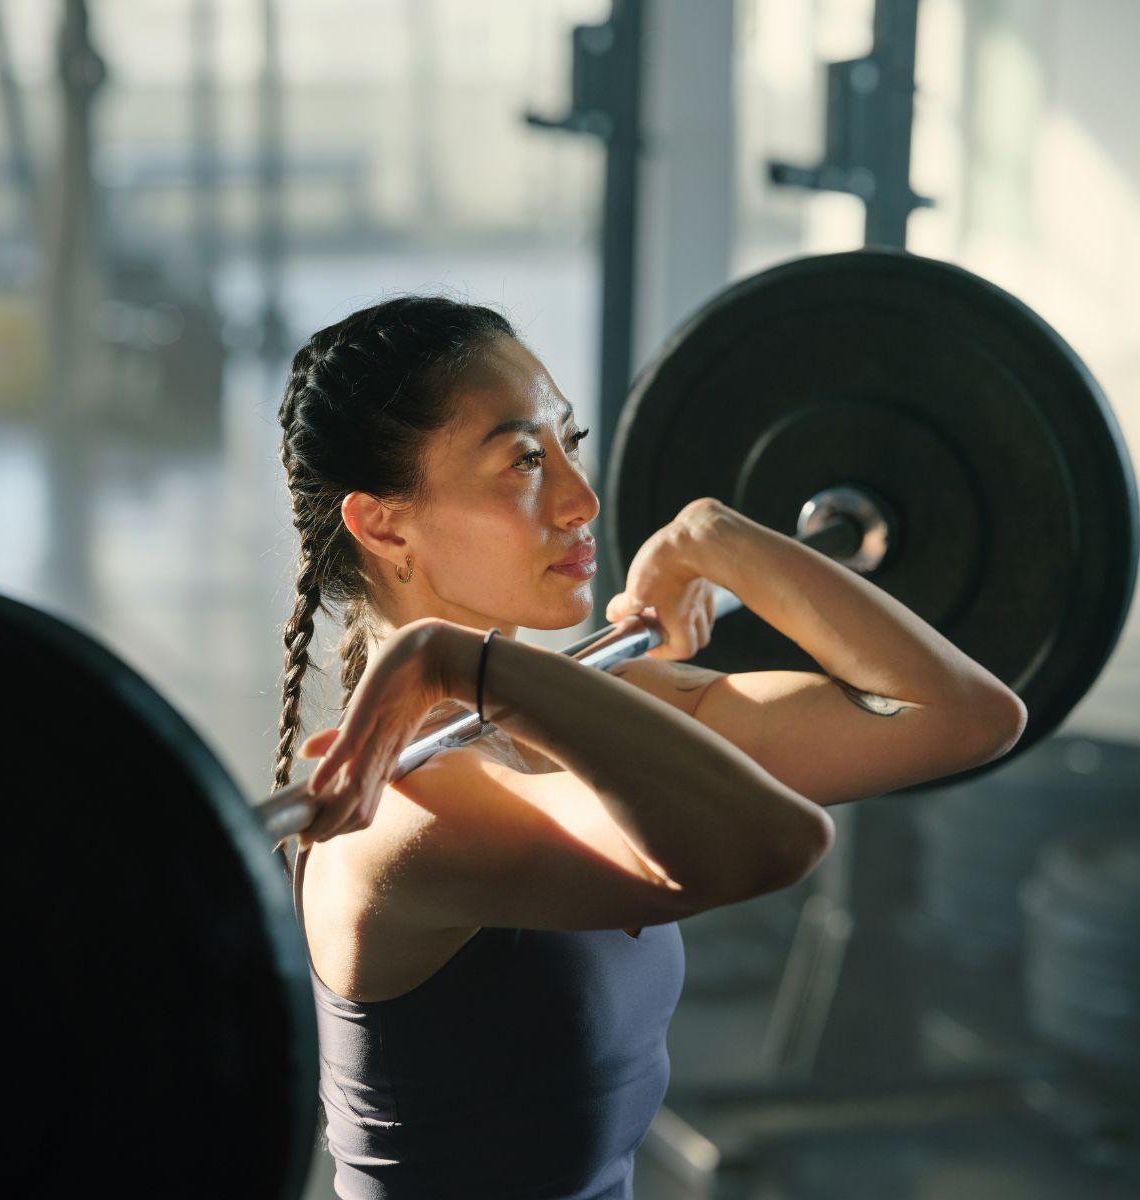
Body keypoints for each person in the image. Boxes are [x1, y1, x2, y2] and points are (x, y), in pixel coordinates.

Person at [271, 295, 1027, 1199]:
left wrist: (725, 540)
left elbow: (967, 717)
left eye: (570, 446)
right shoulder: (404, 816)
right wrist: (469, 664)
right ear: (385, 525)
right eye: (522, 461)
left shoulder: (591, 703)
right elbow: (779, 842)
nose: (580, 500)